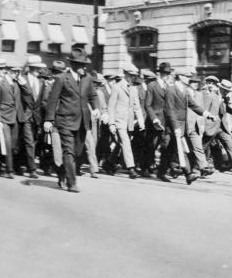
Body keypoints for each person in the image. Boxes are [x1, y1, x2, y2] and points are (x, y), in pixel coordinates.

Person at [43, 48, 100, 193]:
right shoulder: (62, 78)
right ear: (74, 65)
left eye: (85, 64)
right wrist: (49, 119)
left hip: (82, 122)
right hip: (65, 121)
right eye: (81, 65)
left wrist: (97, 108)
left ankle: (62, 174)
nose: (84, 67)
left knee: (76, 152)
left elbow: (93, 95)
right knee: (68, 151)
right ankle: (72, 183)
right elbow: (53, 100)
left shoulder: (87, 78)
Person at [164, 68, 212, 185]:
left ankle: (162, 171)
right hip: (174, 126)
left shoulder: (184, 91)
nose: (188, 79)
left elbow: (193, 105)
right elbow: (169, 111)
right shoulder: (171, 90)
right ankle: (188, 174)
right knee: (182, 150)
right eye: (186, 76)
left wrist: (207, 114)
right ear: (180, 77)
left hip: (182, 126)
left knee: (169, 151)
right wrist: (175, 127)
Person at [104, 63, 143, 179]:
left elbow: (137, 106)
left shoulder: (133, 89)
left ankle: (108, 163)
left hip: (129, 122)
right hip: (119, 121)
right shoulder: (116, 87)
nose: (133, 78)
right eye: (131, 75)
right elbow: (111, 106)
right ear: (125, 74)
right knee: (125, 143)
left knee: (120, 144)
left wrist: (140, 120)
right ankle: (131, 168)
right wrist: (111, 123)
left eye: (134, 76)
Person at [201, 77, 232, 174]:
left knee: (230, 143)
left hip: (221, 127)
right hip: (211, 126)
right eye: (225, 90)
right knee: (203, 147)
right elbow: (204, 110)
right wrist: (203, 125)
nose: (226, 92)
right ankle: (198, 167)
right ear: (220, 88)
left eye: (228, 91)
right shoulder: (211, 95)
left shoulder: (226, 99)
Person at [16, 55, 47, 179]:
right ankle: (32, 169)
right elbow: (24, 95)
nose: (38, 70)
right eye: (35, 67)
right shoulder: (22, 79)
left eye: (38, 68)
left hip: (36, 117)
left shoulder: (41, 81)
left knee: (30, 142)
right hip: (25, 115)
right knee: (29, 142)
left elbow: (41, 101)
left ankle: (18, 164)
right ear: (30, 67)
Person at [0, 59, 24, 178]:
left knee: (13, 145)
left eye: (18, 72)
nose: (17, 74)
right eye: (15, 71)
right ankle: (9, 170)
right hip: (4, 117)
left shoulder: (16, 84)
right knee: (7, 142)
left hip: (14, 118)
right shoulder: (0, 83)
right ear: (9, 71)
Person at [145, 62, 174, 182]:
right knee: (150, 146)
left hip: (166, 121)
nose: (167, 76)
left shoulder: (170, 87)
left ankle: (161, 172)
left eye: (168, 73)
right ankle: (145, 166)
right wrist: (154, 118)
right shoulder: (152, 85)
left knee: (166, 146)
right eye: (165, 73)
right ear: (160, 74)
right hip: (154, 121)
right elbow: (147, 105)